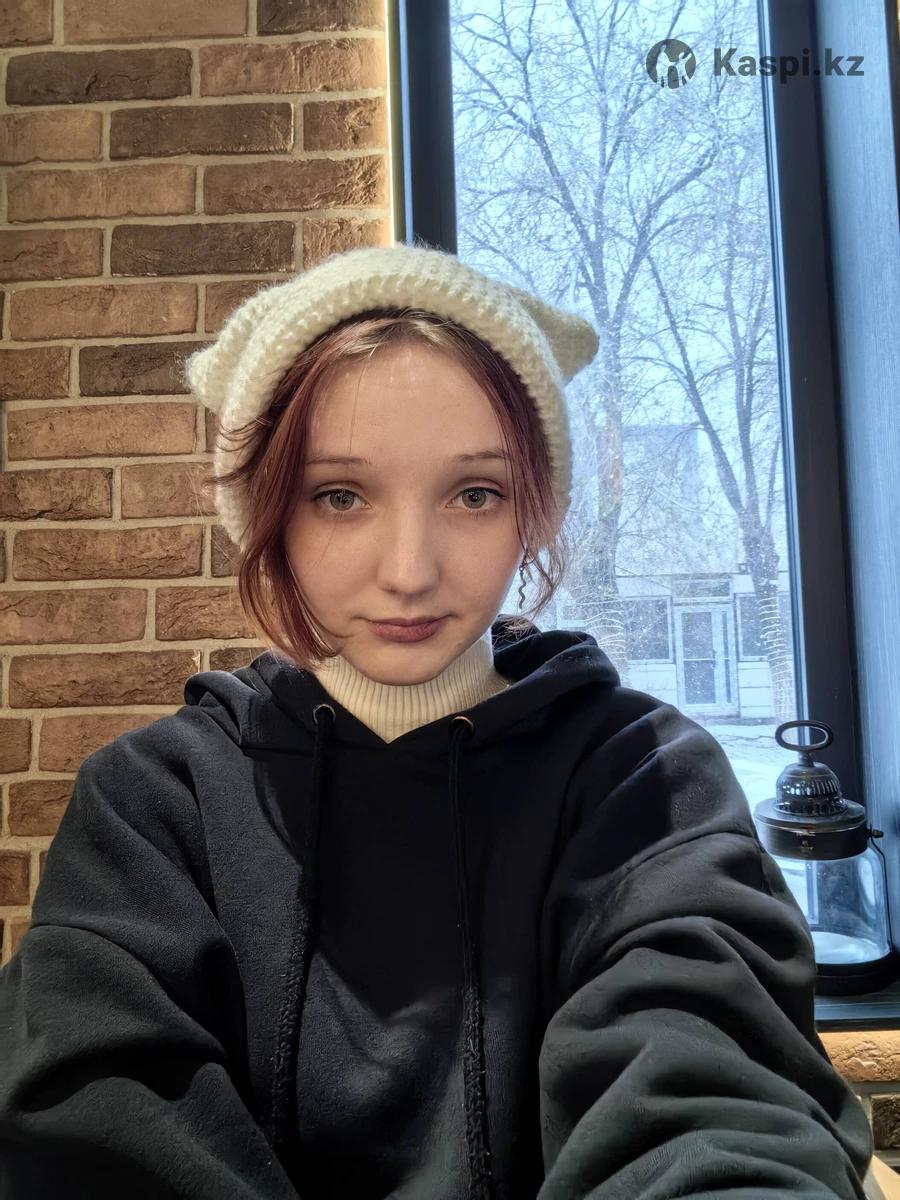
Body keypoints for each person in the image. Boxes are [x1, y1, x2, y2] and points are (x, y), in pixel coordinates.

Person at [0, 240, 878, 1199]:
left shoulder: (644, 781)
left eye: (474, 494)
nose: (410, 571)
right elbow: (95, 1120)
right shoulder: (153, 806)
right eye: (340, 496)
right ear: (270, 514)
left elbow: (713, 1095)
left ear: (531, 511)